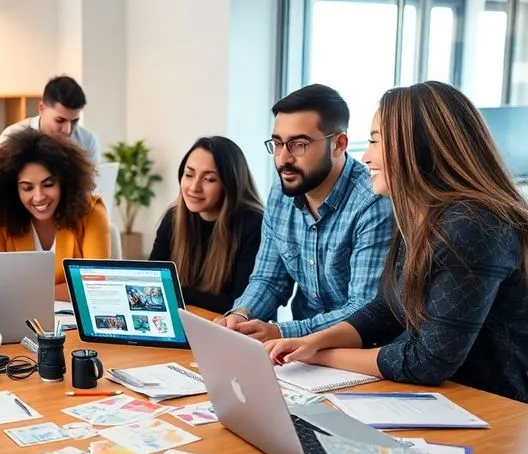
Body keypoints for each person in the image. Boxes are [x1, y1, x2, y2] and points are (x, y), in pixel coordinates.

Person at [267, 82, 528, 403]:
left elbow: (428, 361)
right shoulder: (424, 216)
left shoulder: (471, 225)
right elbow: (388, 309)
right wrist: (313, 341)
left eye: (375, 140)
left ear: (417, 146)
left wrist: (319, 355)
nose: (366, 157)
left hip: (495, 407)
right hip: (448, 399)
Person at [218, 84, 395, 341]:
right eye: (278, 144)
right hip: (300, 351)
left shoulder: (373, 203)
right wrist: (241, 315)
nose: (283, 159)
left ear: (339, 144)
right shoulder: (281, 192)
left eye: (298, 144)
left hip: (360, 349)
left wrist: (283, 332)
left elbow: (364, 309)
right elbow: (268, 279)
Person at [0, 129, 111, 300]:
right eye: (27, 188)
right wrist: (66, 290)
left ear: (64, 182)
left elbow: (96, 284)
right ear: (13, 190)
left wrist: (27, 294)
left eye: (48, 184)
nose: (39, 197)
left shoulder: (91, 212)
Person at [149, 136, 265, 313]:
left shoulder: (253, 224)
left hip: (228, 327)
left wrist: (175, 292)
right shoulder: (173, 218)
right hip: (185, 321)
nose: (194, 187)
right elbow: (152, 283)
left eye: (209, 179)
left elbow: (241, 305)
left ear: (230, 184)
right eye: (189, 175)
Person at [0, 75, 102, 163]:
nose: (67, 130)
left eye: (74, 121)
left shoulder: (87, 141)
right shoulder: (12, 137)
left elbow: (94, 181)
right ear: (41, 108)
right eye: (60, 120)